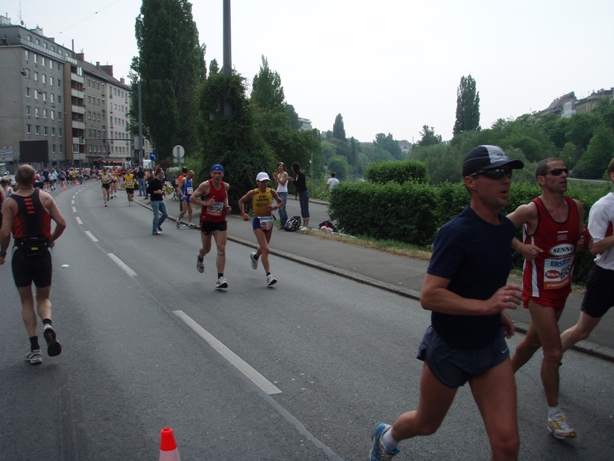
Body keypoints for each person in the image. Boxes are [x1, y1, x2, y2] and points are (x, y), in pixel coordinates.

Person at [370, 145, 523, 461]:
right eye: (495, 173)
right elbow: (430, 295)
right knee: (426, 424)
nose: (505, 180)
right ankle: (387, 437)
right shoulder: (455, 232)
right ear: (471, 181)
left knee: (507, 444)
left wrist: (497, 311)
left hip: (490, 347)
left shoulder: (506, 229)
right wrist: (485, 305)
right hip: (450, 348)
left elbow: (485, 276)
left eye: (508, 173)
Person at [507, 157, 584, 440]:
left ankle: (502, 376)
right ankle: (555, 416)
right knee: (553, 352)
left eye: (566, 170)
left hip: (562, 289)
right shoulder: (531, 210)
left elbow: (579, 239)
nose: (564, 175)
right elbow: (498, 228)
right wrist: (521, 247)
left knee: (533, 341)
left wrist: (582, 241)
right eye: (556, 172)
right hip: (538, 292)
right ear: (541, 179)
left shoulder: (577, 207)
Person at [0, 164, 67, 365]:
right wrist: (50, 239)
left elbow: (4, 233)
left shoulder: (10, 202)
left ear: (16, 181)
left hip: (21, 253)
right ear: (35, 179)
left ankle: (35, 348)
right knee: (44, 297)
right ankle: (47, 324)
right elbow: (62, 223)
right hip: (42, 253)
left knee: (26, 300)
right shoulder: (45, 197)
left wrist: (2, 253)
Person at [561, 158, 614, 353]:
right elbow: (595, 247)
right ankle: (552, 355)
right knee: (583, 331)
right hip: (607, 276)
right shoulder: (604, 206)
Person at [238, 172, 284, 286]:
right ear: (257, 182)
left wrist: (275, 207)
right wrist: (243, 214)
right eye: (262, 181)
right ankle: (269, 276)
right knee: (266, 249)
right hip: (258, 221)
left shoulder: (271, 191)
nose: (265, 183)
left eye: (266, 181)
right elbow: (241, 201)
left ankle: (255, 257)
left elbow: (281, 202)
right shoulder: (253, 192)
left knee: (264, 247)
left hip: (268, 221)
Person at [190, 164, 231, 289]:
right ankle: (200, 256)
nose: (217, 175)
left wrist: (226, 206)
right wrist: (205, 203)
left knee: (221, 248)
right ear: (211, 174)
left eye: (220, 173)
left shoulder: (225, 186)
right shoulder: (205, 186)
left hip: (220, 220)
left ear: (223, 174)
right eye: (215, 173)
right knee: (207, 248)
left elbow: (225, 198)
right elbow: (192, 198)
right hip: (207, 220)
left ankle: (220, 278)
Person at [287, 162, 309, 230]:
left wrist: (292, 181)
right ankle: (303, 224)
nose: (292, 169)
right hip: (301, 193)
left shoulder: (301, 175)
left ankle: (306, 225)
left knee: (305, 208)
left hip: (304, 193)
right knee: (302, 208)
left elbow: (300, 184)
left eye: (292, 167)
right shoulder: (297, 175)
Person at [147, 168, 168, 235]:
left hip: (161, 199)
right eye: (162, 173)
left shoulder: (161, 182)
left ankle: (158, 224)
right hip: (154, 201)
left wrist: (163, 193)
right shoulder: (153, 182)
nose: (163, 175)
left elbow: (161, 190)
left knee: (165, 214)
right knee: (156, 216)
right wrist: (156, 192)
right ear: (158, 173)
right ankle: (154, 230)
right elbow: (148, 190)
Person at [272, 162, 289, 228]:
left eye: (281, 166)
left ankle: (286, 222)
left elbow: (283, 183)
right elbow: (277, 185)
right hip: (278, 191)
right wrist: (275, 179)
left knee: (283, 208)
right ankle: (282, 224)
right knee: (279, 209)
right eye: (279, 166)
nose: (280, 167)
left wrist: (278, 178)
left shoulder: (285, 174)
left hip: (283, 192)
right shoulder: (278, 175)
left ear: (283, 167)